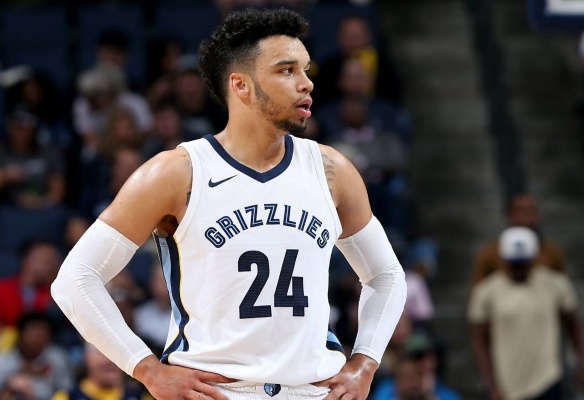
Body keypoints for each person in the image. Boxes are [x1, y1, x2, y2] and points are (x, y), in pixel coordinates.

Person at [51, 7, 406, 400]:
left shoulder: (332, 170)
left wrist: (365, 362)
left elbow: (386, 275)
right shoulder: (177, 172)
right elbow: (75, 280)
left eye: (305, 70)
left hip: (312, 390)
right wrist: (147, 369)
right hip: (215, 390)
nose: (306, 83)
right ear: (241, 85)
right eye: (287, 70)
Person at [468, 226, 584, 400]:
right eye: (514, 264)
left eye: (524, 263)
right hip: (507, 384)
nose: (519, 268)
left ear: (534, 258)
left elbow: (573, 327)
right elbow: (479, 340)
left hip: (548, 378)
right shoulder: (486, 292)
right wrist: (490, 385)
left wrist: (581, 362)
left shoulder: (554, 284)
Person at [470, 193, 566, 289]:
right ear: (509, 215)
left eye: (530, 210)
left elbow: (563, 288)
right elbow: (478, 291)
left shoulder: (553, 253)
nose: (524, 215)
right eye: (519, 210)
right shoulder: (489, 254)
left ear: (537, 215)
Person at [0, 240, 62, 327]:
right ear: (27, 260)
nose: (51, 267)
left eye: (53, 263)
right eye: (46, 262)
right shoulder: (0, 289)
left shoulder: (54, 293)